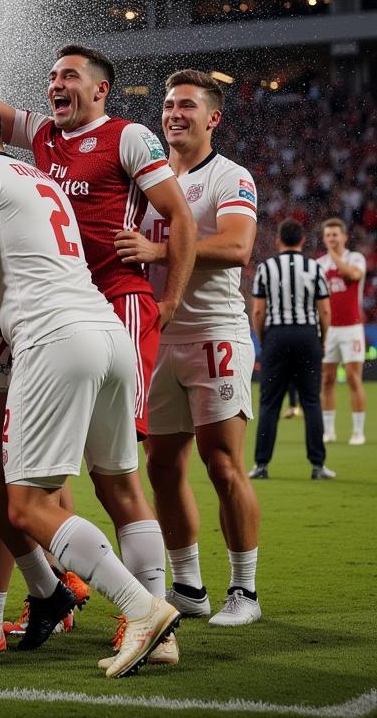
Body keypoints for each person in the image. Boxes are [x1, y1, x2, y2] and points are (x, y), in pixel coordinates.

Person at [0, 39, 194, 659]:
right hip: (105, 329)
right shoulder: (40, 167)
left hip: (58, 336)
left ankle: (142, 609)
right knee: (122, 485)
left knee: (27, 502)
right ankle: (154, 624)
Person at [125, 70, 261, 627]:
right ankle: (188, 586)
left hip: (214, 335)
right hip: (157, 338)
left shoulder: (231, 175)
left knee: (223, 465)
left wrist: (160, 254)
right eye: (167, 104)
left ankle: (245, 592)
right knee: (161, 466)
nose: (173, 114)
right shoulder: (148, 180)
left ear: (213, 118)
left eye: (186, 105)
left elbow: (237, 246)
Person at [249, 219, 335, 480]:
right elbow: (325, 311)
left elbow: (258, 311)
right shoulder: (314, 268)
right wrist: (320, 339)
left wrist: (266, 339)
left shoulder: (266, 268)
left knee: (269, 403)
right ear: (303, 241)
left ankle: (261, 465)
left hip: (276, 336)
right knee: (311, 401)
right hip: (308, 335)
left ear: (278, 240)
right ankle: (318, 466)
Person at [317, 218, 367, 445]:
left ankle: (358, 432)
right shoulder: (319, 264)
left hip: (352, 328)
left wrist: (334, 255)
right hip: (329, 330)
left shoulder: (355, 258)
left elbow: (353, 275)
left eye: (335, 235)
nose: (331, 239)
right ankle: (329, 431)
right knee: (326, 379)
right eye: (328, 235)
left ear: (344, 236)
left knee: (352, 378)